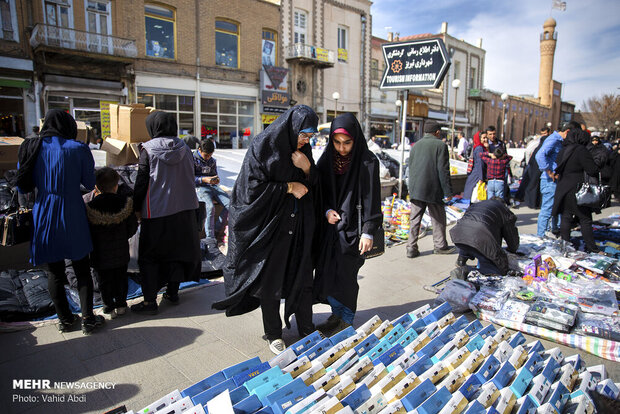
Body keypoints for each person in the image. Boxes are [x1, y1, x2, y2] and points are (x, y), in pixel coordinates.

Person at [212, 105, 319, 355]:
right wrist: (288, 187)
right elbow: (249, 189)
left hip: (298, 224)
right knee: (270, 282)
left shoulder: (302, 150)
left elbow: (314, 183)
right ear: (291, 128)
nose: (306, 140)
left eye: (310, 136)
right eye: (303, 134)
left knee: (303, 277)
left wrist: (306, 168)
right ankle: (273, 333)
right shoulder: (263, 146)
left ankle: (306, 327)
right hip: (271, 227)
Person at [21, 109, 103, 335]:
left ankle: (65, 320)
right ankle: (88, 319)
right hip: (72, 211)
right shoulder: (78, 148)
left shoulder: (32, 147)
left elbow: (22, 186)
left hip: (44, 211)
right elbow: (88, 182)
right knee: (82, 268)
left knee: (54, 272)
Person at [313, 113, 382, 336]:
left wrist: (368, 231)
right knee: (327, 273)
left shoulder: (367, 161)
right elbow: (319, 192)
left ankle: (346, 319)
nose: (342, 148)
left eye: (347, 143)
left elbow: (372, 198)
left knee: (347, 276)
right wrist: (326, 211)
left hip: (354, 230)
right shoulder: (326, 160)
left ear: (356, 139)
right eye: (337, 142)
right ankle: (336, 314)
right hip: (330, 230)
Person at [131, 111, 201, 315]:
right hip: (185, 209)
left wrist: (136, 208)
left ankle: (150, 302)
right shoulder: (186, 148)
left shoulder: (147, 150)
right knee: (177, 253)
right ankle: (172, 292)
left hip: (157, 212)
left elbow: (141, 182)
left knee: (150, 257)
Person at [85, 167, 138, 319]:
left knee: (103, 281)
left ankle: (108, 307)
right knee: (121, 278)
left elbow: (87, 231)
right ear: (116, 185)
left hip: (99, 253)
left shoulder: (90, 207)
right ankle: (121, 304)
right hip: (121, 250)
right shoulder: (126, 203)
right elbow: (132, 227)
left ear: (96, 187)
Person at [406, 121, 455, 258]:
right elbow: (443, 171)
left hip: (416, 188)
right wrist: (448, 192)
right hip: (433, 189)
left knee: (414, 219)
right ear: (437, 132)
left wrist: (411, 188)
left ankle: (411, 247)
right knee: (438, 218)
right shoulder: (440, 146)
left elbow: (411, 167)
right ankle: (440, 246)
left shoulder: (416, 146)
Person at [552, 128, 600, 252]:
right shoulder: (581, 150)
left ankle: (565, 245)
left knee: (566, 216)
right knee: (585, 219)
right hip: (578, 189)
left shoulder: (563, 150)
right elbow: (592, 169)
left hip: (563, 188)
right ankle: (592, 247)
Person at [450, 199, 519, 275]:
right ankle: (466, 271)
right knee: (495, 268)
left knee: (469, 240)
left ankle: (461, 260)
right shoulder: (504, 210)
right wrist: (512, 249)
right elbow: (511, 234)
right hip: (481, 235)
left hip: (458, 232)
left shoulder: (478, 204)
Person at [535, 122, 576, 238]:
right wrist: (550, 172)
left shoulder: (559, 141)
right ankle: (541, 235)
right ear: (567, 131)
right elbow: (540, 156)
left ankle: (554, 229)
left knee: (556, 207)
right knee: (547, 209)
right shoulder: (553, 140)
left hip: (556, 180)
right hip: (549, 181)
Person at [193, 139, 230, 241]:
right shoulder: (191, 159)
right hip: (200, 187)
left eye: (210, 155)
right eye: (206, 155)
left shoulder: (212, 161)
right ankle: (210, 238)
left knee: (230, 205)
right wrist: (203, 179)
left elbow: (215, 174)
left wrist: (216, 179)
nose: (208, 157)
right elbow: (188, 178)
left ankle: (217, 230)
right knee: (209, 208)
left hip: (213, 187)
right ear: (199, 150)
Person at [515, 127, 550, 208]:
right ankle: (533, 203)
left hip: (535, 167)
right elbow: (528, 152)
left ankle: (533, 202)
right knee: (533, 184)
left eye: (545, 133)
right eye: (542, 133)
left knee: (533, 184)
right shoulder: (537, 143)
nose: (543, 135)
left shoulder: (540, 145)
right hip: (535, 167)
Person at [463, 131, 489, 201]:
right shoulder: (479, 148)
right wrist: (481, 178)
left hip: (476, 174)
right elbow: (479, 164)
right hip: (477, 175)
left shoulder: (479, 147)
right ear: (479, 139)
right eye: (483, 138)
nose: (485, 140)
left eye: (486, 138)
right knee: (473, 197)